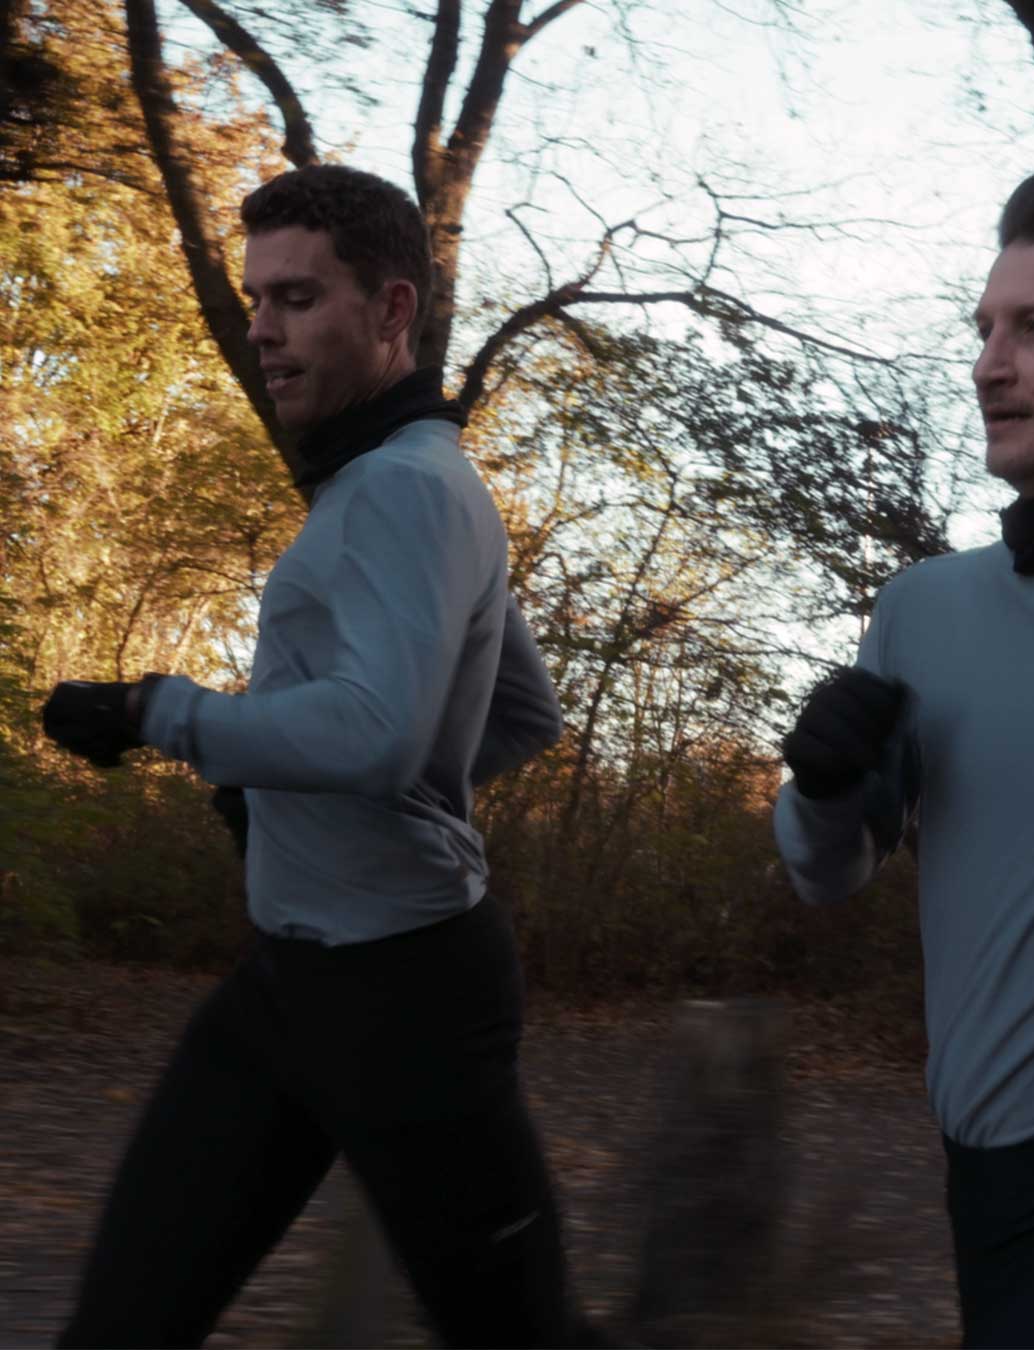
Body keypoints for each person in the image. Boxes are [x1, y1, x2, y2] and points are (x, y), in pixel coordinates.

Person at [42, 164, 585, 1349]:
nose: (264, 331)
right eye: (254, 301)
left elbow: (378, 732)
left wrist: (159, 713)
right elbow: (519, 717)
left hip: (407, 998)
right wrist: (306, 797)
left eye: (296, 299)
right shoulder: (386, 486)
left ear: (391, 312)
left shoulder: (404, 491)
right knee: (126, 1320)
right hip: (290, 983)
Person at [774, 154, 1034, 1350]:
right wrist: (821, 785)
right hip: (987, 1174)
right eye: (986, 327)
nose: (988, 365)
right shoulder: (925, 611)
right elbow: (825, 873)